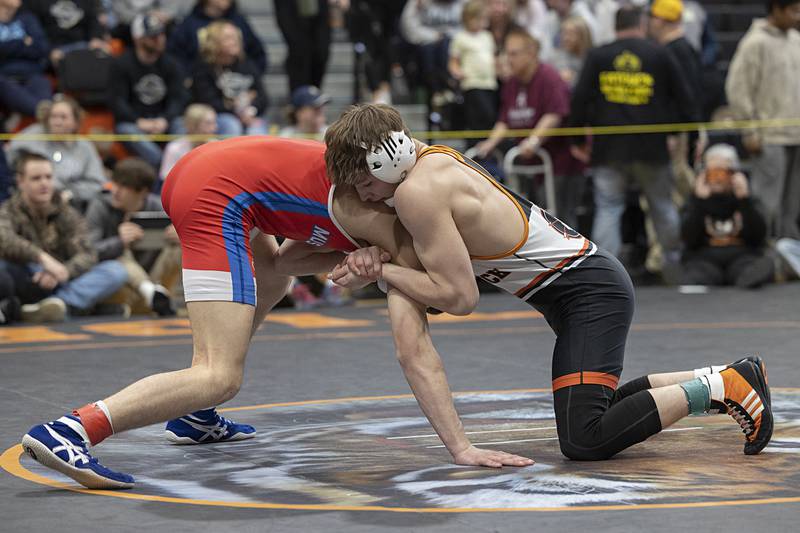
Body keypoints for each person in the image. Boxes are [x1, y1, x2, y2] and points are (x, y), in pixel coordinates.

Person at [20, 135, 533, 489]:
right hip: (217, 192)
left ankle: (194, 417)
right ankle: (71, 431)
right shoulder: (395, 229)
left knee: (273, 276)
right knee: (219, 375)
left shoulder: (391, 209)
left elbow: (291, 257)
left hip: (219, 175)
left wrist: (354, 259)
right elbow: (414, 350)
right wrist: (461, 448)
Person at [325, 103, 772, 465]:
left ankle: (721, 388)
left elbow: (460, 299)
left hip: (587, 293)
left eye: (364, 182)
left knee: (586, 437)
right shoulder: (430, 162)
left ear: (392, 156)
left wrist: (379, 271)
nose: (363, 196)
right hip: (582, 286)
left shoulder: (415, 192)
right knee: (600, 404)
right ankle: (729, 375)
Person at [568, 4, 698, 281]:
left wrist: (577, 139)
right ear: (641, 24)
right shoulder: (659, 54)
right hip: (652, 148)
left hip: (608, 148)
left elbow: (578, 101)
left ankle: (606, 276)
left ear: (615, 26)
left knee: (608, 207)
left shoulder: (598, 56)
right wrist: (678, 135)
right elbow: (686, 99)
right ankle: (673, 268)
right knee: (662, 206)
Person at [474, 28, 584, 228]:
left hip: (559, 161)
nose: (508, 59)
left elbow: (555, 114)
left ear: (531, 54)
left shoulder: (549, 77)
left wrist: (533, 141)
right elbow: (505, 119)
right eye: (507, 53)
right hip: (529, 163)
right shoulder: (513, 83)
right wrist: (490, 143)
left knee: (561, 219)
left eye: (514, 54)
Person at [0, 151, 128, 323]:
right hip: (28, 276)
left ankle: (57, 305)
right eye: (36, 178)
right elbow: (5, 239)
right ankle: (72, 307)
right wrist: (43, 259)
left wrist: (64, 271)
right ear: (21, 181)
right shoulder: (8, 210)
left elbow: (87, 253)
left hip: (63, 278)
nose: (44, 183)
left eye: (48, 177)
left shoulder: (66, 212)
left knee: (115, 270)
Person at [725, 0, 800, 239]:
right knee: (767, 204)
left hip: (796, 135)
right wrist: (749, 131)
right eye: (793, 10)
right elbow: (738, 90)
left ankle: (789, 260)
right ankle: (762, 257)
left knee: (792, 206)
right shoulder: (754, 43)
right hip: (770, 138)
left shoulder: (796, 41)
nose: (798, 16)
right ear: (776, 9)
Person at [85, 158, 178, 316]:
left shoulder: (160, 208)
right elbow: (87, 252)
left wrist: (181, 235)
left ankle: (159, 296)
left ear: (142, 192)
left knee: (180, 246)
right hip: (122, 286)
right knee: (120, 254)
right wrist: (119, 242)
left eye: (123, 187)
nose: (115, 190)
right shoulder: (100, 205)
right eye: (114, 183)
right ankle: (151, 295)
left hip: (155, 277)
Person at [680, 144, 773, 289]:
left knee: (754, 267)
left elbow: (758, 237)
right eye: (712, 173)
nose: (717, 179)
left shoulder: (746, 199)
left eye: (722, 173)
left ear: (734, 174)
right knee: (696, 274)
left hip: (742, 256)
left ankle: (749, 280)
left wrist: (744, 200)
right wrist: (699, 203)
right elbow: (688, 239)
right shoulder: (695, 200)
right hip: (705, 258)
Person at [108, 11, 187, 168]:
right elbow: (116, 100)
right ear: (138, 39)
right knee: (126, 130)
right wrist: (139, 121)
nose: (160, 40)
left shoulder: (171, 64)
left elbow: (179, 97)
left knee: (182, 125)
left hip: (164, 121)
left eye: (161, 35)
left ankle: (172, 165)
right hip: (135, 122)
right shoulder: (121, 64)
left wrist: (165, 119)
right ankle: (164, 166)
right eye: (153, 36)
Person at [6, 94, 107, 211]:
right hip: (30, 202)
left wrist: (71, 193)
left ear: (75, 122)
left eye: (63, 117)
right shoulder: (32, 135)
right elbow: (9, 157)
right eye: (53, 117)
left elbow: (97, 184)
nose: (57, 122)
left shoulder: (84, 147)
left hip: (70, 205)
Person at [191, 19, 269, 136]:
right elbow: (208, 101)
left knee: (257, 130)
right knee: (231, 125)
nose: (234, 42)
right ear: (214, 42)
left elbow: (263, 97)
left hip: (249, 114)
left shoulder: (247, 64)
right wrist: (237, 112)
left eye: (236, 37)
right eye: (228, 38)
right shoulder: (204, 67)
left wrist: (252, 111)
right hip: (218, 117)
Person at [168, 0, 267, 77]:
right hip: (200, 88)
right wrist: (187, 78)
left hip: (237, 84)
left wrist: (252, 78)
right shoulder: (189, 25)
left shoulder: (239, 22)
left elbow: (257, 53)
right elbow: (175, 56)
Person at [448, 0, 498, 147]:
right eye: (478, 18)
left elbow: (493, 57)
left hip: (490, 83)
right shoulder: (460, 38)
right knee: (479, 117)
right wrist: (457, 72)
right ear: (468, 18)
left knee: (490, 117)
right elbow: (454, 61)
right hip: (472, 83)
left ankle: (488, 147)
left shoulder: (487, 37)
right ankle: (475, 147)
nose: (481, 22)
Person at [0, 0, 51, 118]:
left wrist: (6, 47)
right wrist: (22, 43)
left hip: (32, 72)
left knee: (43, 83)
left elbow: (41, 49)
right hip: (3, 75)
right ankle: (45, 115)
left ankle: (45, 113)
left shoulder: (27, 18)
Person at [159, 103, 217, 182]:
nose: (215, 127)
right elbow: (165, 176)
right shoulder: (174, 148)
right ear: (193, 125)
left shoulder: (217, 147)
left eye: (214, 122)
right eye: (208, 123)